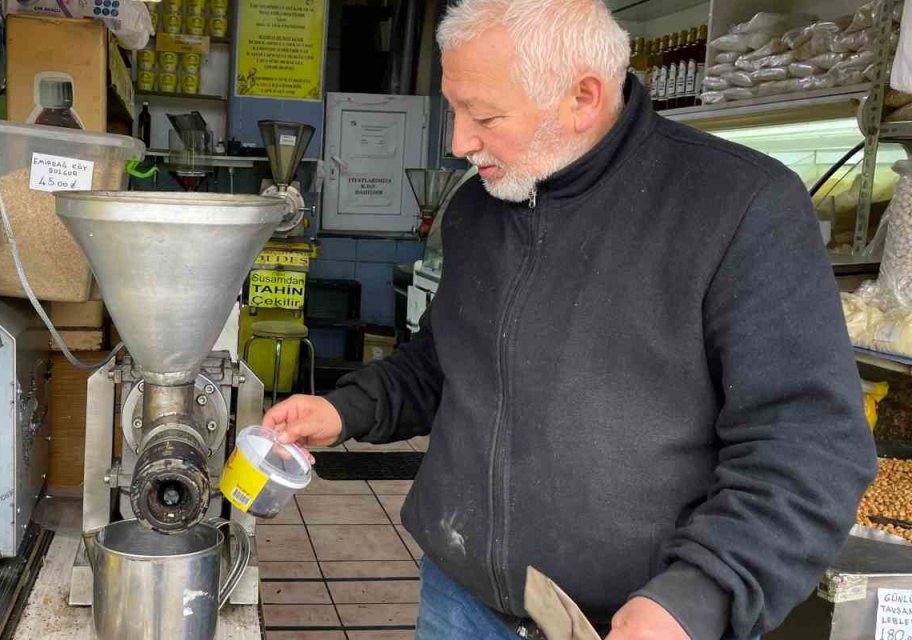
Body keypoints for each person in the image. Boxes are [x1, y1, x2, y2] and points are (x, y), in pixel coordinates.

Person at [261, 1, 877, 639]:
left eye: (483, 115)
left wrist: (697, 596)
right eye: (455, 109)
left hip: (634, 620)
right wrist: (345, 410)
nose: (458, 142)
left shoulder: (740, 208)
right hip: (461, 599)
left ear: (582, 97)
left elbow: (806, 446)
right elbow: (446, 360)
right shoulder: (480, 208)